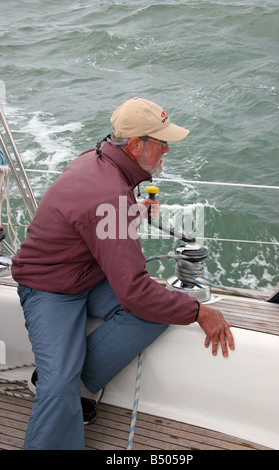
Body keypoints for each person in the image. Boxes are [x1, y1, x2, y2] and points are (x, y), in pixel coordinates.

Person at [12, 96, 235, 450]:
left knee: (159, 311)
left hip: (87, 274)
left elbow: (95, 216)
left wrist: (131, 211)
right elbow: (133, 291)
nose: (167, 151)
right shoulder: (108, 195)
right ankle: (65, 382)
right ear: (135, 144)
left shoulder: (100, 157)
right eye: (162, 143)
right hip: (48, 287)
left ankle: (78, 378)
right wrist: (199, 311)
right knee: (57, 388)